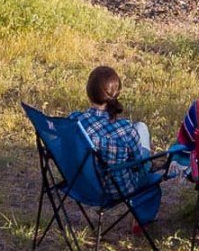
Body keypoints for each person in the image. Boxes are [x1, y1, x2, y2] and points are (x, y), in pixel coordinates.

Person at [68, 64, 175, 198]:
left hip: (82, 184)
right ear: (116, 93)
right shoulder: (126, 130)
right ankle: (153, 172)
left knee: (139, 129)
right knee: (141, 128)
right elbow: (138, 164)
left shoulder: (74, 120)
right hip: (119, 189)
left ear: (88, 92)